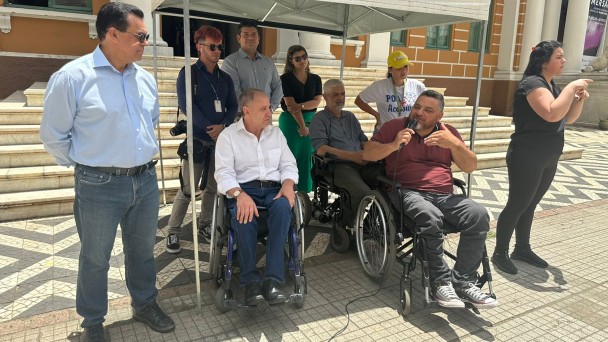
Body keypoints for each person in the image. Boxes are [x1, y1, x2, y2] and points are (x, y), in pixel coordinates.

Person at [39, 3, 174, 341]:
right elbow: (53, 136)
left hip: (144, 179)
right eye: (140, 36)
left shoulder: (144, 79)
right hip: (98, 184)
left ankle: (144, 303)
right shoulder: (73, 77)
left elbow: (150, 121)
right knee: (95, 258)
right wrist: (88, 163)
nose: (146, 42)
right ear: (112, 34)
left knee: (143, 251)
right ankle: (93, 322)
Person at [362, 90, 498, 310]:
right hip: (407, 192)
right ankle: (440, 282)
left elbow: (471, 166)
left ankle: (463, 281)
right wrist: (393, 145)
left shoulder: (448, 133)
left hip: (444, 195)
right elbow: (366, 154)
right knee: (430, 215)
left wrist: (454, 144)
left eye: (428, 110)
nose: (419, 113)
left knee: (478, 215)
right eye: (417, 107)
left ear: (439, 116)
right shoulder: (394, 127)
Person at [491, 41, 592, 275]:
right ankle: (500, 252)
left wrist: (578, 99)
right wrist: (572, 87)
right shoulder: (532, 84)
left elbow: (567, 118)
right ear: (544, 61)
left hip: (548, 155)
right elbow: (551, 113)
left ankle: (522, 249)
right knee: (517, 203)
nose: (564, 61)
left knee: (530, 204)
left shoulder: (551, 85)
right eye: (559, 57)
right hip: (527, 155)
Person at [214, 89, 298, 306]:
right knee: (245, 217)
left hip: (274, 190)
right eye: (264, 108)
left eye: (270, 107)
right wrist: (238, 194)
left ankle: (272, 281)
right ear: (246, 111)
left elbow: (288, 164)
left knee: (283, 209)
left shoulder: (276, 134)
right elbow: (223, 173)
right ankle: (250, 283)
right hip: (244, 190)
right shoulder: (228, 136)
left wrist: (288, 184)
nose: (270, 112)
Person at [166, 25, 238, 252]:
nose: (217, 51)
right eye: (212, 47)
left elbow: (233, 104)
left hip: (220, 140)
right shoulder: (188, 74)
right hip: (196, 140)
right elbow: (187, 105)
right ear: (199, 47)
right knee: (188, 189)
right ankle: (173, 231)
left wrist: (224, 125)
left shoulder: (224, 77)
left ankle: (205, 225)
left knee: (213, 186)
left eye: (220, 47)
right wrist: (210, 127)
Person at [309, 79, 380, 226]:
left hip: (361, 162)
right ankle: (345, 224)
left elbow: (363, 141)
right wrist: (353, 157)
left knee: (388, 183)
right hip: (338, 166)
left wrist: (377, 149)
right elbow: (321, 149)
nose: (340, 98)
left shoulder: (350, 117)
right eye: (335, 94)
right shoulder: (319, 119)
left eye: (343, 94)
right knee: (361, 192)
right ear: (325, 97)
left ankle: (370, 224)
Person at [279, 45, 322, 193]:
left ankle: (305, 194)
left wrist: (301, 106)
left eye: (304, 56)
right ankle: (288, 191)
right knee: (289, 156)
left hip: (311, 120)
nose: (302, 60)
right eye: (298, 58)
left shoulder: (316, 79)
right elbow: (290, 106)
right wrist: (302, 126)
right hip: (291, 121)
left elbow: (317, 102)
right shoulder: (285, 79)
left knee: (307, 157)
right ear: (291, 61)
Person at [221, 19, 283, 112]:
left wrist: (271, 107)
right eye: (246, 34)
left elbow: (278, 86)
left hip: (265, 115)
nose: (250, 38)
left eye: (254, 34)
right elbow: (233, 92)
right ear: (238, 38)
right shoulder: (230, 62)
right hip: (242, 117)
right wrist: (251, 111)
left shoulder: (268, 62)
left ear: (259, 38)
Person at [355, 51, 425, 130]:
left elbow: (429, 104)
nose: (404, 70)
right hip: (386, 133)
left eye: (405, 66)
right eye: (399, 68)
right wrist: (377, 115)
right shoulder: (379, 86)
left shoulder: (417, 86)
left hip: (408, 133)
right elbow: (359, 100)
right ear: (390, 70)